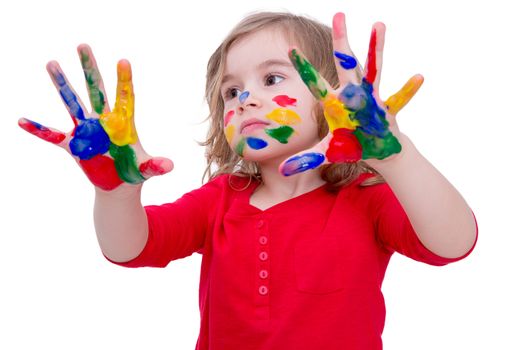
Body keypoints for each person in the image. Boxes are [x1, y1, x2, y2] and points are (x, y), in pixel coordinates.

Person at [18, 11, 478, 350]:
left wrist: (397, 158)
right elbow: (129, 248)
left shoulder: (363, 200)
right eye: (232, 91)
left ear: (333, 96)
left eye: (272, 78)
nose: (246, 100)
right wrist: (115, 191)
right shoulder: (221, 200)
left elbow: (452, 243)